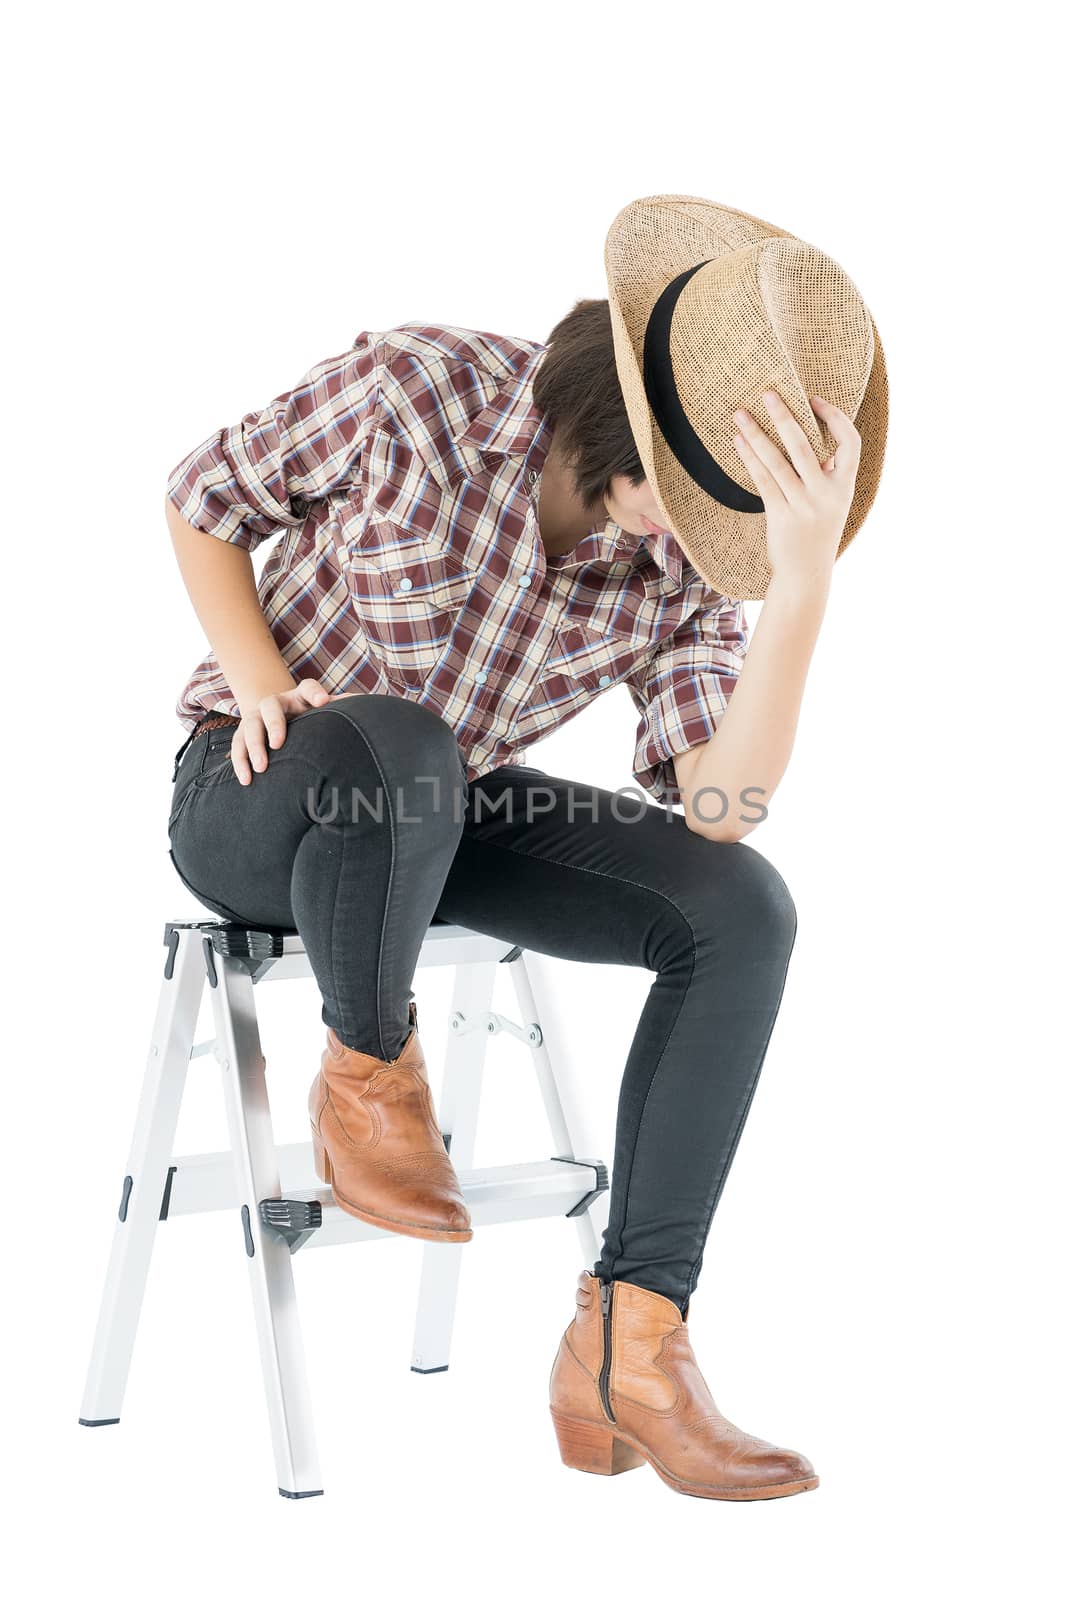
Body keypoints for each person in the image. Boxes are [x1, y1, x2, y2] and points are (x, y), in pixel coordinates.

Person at [164, 194, 887, 1502]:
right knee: (403, 746)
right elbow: (203, 498)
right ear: (616, 433)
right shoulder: (418, 389)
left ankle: (632, 1342)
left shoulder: (679, 575)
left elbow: (718, 808)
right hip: (268, 788)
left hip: (441, 815)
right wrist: (259, 676)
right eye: (685, 504)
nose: (692, 542)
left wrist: (801, 587)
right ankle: (368, 1079)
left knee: (742, 911)